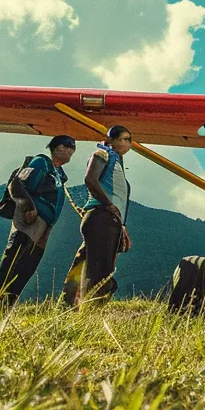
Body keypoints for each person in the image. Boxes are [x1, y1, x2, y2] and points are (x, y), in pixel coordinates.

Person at [0, 135, 78, 307]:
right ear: (56, 147)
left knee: (28, 265)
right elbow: (17, 185)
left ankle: (8, 304)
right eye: (67, 145)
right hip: (29, 218)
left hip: (46, 224)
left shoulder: (59, 174)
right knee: (15, 258)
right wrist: (30, 207)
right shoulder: (41, 162)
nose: (71, 150)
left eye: (73, 147)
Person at [67, 125, 134, 309]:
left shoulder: (117, 163)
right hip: (100, 216)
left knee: (87, 265)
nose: (127, 144)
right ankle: (91, 311)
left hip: (110, 220)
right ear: (110, 139)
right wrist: (108, 205)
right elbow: (90, 179)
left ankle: (70, 307)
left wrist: (122, 226)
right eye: (123, 139)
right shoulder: (103, 154)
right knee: (99, 270)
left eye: (129, 140)